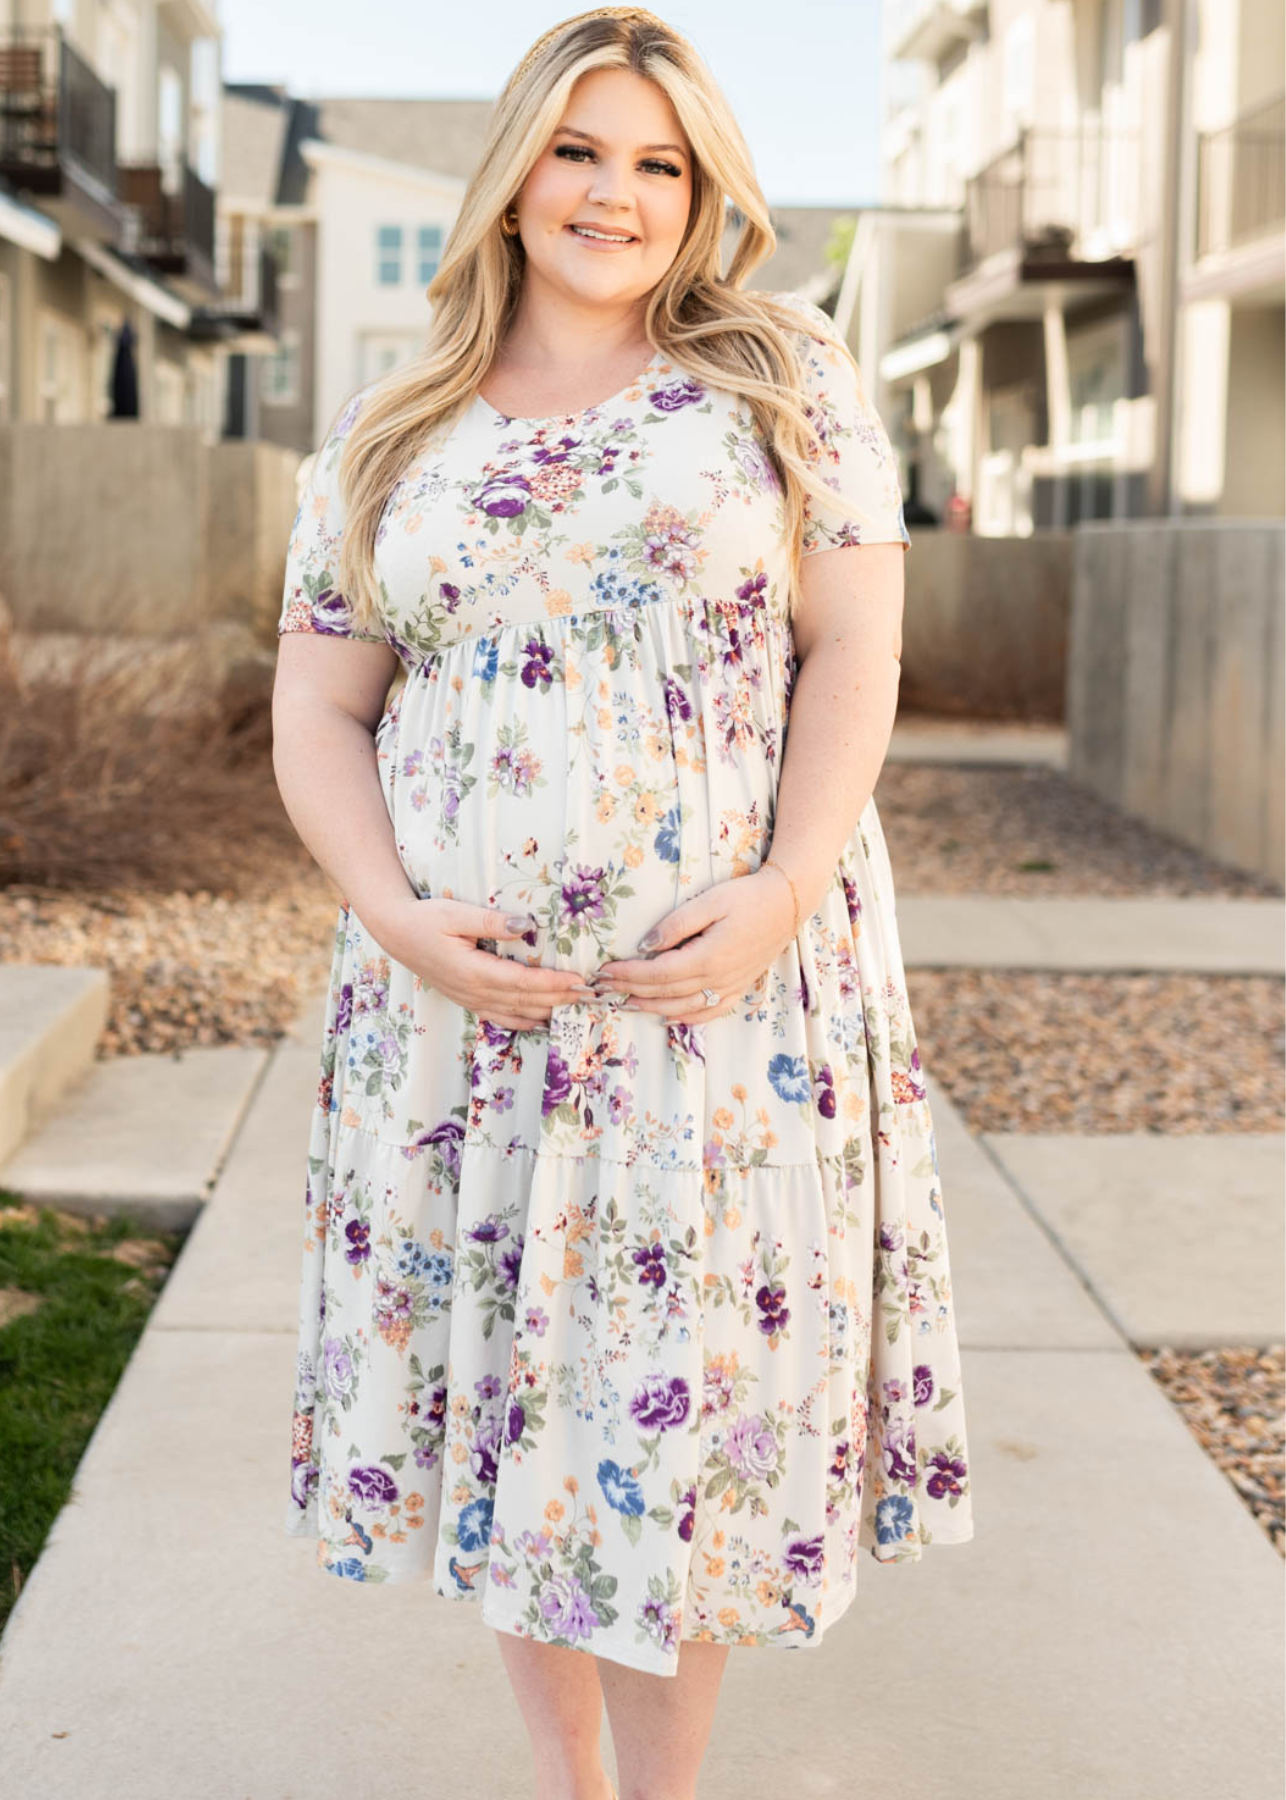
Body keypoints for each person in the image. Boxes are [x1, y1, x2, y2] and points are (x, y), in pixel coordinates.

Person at [272, 9, 974, 1799]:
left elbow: (856, 654)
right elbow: (319, 706)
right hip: (466, 1012)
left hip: (715, 1001)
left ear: (701, 191)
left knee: (682, 1403)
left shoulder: (779, 375)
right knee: (523, 1399)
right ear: (512, 173)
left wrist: (777, 891)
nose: (616, 192)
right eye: (581, 150)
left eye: (658, 162)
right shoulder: (386, 425)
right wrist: (388, 912)